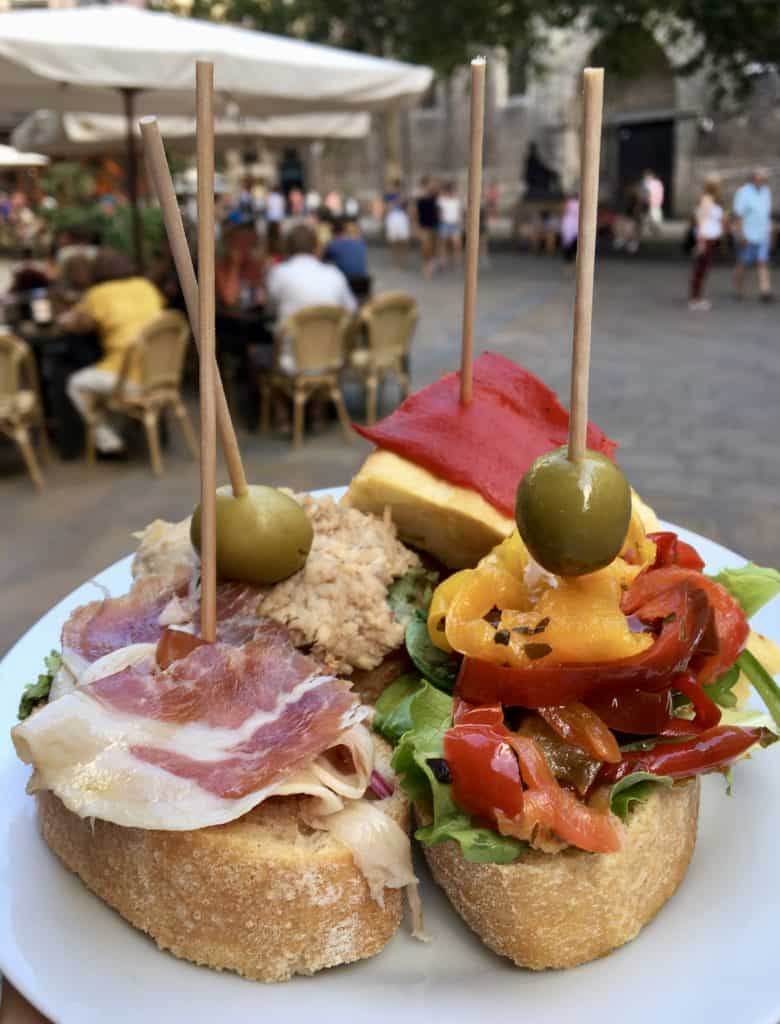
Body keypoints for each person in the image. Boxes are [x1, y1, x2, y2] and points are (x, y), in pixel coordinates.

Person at [62, 248, 164, 455]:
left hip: (127, 376)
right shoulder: (146, 286)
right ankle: (119, 427)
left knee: (75, 384)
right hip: (160, 373)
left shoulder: (98, 294)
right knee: (100, 382)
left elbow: (73, 323)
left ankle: (109, 442)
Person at [266, 223, 356, 372]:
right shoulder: (334, 274)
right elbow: (351, 310)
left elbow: (270, 309)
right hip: (331, 358)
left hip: (291, 360)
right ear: (316, 247)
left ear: (287, 248)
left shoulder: (279, 273)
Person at [733, 168, 773, 301]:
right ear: (753, 178)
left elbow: (767, 215)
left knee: (763, 262)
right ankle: (738, 287)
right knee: (743, 263)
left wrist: (770, 232)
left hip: (763, 234)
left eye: (764, 179)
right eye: (760, 178)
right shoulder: (743, 192)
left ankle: (765, 290)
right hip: (748, 234)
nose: (762, 181)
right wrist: (740, 234)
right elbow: (738, 216)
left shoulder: (766, 192)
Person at [688, 177, 724, 312]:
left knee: (703, 270)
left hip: (711, 238)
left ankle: (697, 297)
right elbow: (701, 221)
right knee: (700, 270)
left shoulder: (712, 200)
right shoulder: (707, 200)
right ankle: (695, 299)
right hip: (706, 239)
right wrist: (701, 242)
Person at [323, 217, 370, 300]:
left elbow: (321, 262)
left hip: (346, 284)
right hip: (363, 283)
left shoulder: (333, 245)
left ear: (331, 231)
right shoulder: (360, 243)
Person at [415, 177, 440, 279]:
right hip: (424, 225)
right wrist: (416, 227)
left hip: (434, 225)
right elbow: (414, 212)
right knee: (425, 247)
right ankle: (425, 267)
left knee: (433, 247)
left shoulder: (435, 196)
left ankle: (430, 265)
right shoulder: (419, 197)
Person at [383, 179, 411, 268]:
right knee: (394, 241)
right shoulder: (388, 196)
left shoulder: (404, 196)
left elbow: (407, 208)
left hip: (401, 217)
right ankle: (396, 260)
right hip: (392, 217)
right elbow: (387, 207)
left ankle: (403, 260)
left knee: (403, 240)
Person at [437, 182, 463, 268]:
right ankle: (442, 260)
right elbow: (439, 212)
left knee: (456, 244)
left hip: (454, 223)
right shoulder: (441, 199)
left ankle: (456, 260)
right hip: (445, 223)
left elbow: (459, 212)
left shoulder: (456, 200)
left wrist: (460, 222)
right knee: (443, 243)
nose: (452, 192)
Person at [641, 169, 664, 237]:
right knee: (645, 218)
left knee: (655, 218)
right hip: (645, 204)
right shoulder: (644, 183)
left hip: (654, 203)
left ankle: (656, 231)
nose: (647, 177)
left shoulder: (656, 183)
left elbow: (660, 193)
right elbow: (642, 193)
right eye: (646, 176)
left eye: (648, 176)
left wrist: (658, 201)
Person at [265, 185, 286, 256]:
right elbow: (283, 206)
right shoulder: (280, 197)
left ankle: (271, 250)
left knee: (271, 236)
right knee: (279, 235)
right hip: (278, 218)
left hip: (271, 218)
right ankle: (280, 249)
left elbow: (267, 206)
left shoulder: (269, 197)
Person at [560, 194, 579, 262]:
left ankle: (573, 258)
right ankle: (569, 259)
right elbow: (564, 211)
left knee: (574, 241)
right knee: (568, 242)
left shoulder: (579, 202)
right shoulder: (569, 202)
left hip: (576, 223)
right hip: (569, 223)